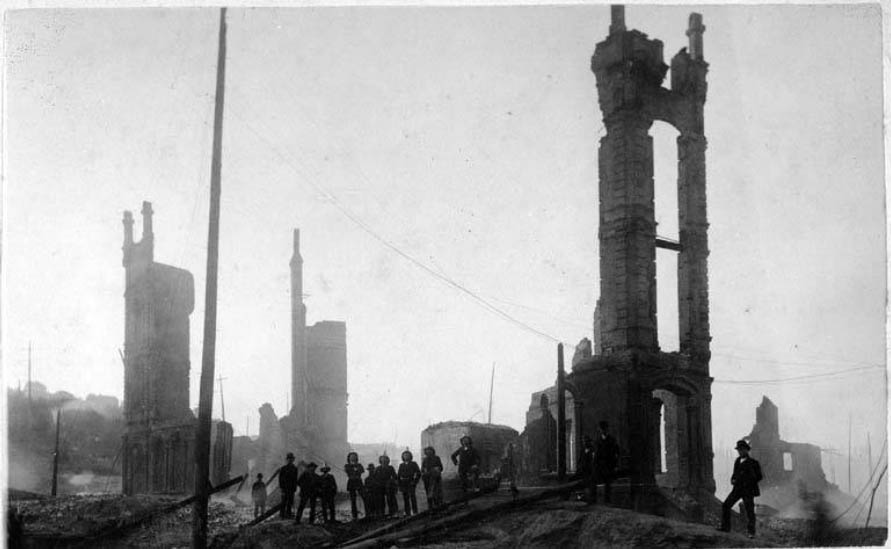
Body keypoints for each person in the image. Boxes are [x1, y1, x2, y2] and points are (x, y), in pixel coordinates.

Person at [719, 440, 763, 538]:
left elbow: (759, 476)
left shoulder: (754, 463)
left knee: (749, 511)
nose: (740, 452)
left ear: (747, 450)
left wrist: (749, 482)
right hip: (737, 490)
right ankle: (725, 527)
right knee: (726, 505)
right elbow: (734, 474)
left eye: (742, 450)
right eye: (739, 450)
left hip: (748, 491)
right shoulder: (737, 461)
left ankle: (751, 533)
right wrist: (732, 479)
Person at [593, 421, 619, 504]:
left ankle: (607, 501)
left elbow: (616, 453)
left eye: (604, 429)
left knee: (608, 483)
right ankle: (596, 500)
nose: (603, 431)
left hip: (609, 464)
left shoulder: (612, 440)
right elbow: (596, 454)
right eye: (601, 429)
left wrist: (615, 465)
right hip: (600, 465)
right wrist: (595, 464)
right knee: (597, 482)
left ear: (607, 429)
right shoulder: (598, 440)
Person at [397, 450, 422, 516]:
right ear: (402, 457)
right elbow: (398, 476)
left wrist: (415, 481)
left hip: (411, 482)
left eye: (407, 455)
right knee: (405, 498)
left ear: (410, 456)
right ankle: (407, 512)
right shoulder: (401, 465)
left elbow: (418, 473)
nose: (406, 456)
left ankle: (415, 512)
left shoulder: (414, 464)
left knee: (412, 497)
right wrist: (399, 484)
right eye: (404, 455)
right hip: (403, 483)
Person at [344, 452, 365, 520]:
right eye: (351, 457)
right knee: (353, 500)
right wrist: (355, 469)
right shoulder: (347, 465)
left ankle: (367, 513)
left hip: (359, 482)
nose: (353, 458)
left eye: (354, 456)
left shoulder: (359, 465)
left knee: (364, 497)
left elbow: (362, 470)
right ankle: (354, 516)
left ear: (356, 458)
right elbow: (347, 471)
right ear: (349, 458)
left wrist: (355, 469)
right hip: (351, 483)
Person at [278, 452, 299, 518]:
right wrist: (282, 488)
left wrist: (294, 488)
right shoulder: (283, 468)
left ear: (293, 460)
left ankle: (288, 514)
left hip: (291, 489)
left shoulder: (295, 469)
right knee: (283, 502)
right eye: (289, 458)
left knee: (290, 502)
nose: (290, 460)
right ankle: (282, 515)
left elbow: (295, 479)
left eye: (291, 459)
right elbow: (280, 479)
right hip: (285, 488)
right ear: (287, 459)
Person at [578, 436, 595, 503]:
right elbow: (580, 460)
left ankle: (589, 496)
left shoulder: (592, 450)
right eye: (584, 441)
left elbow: (592, 460)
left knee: (588, 482)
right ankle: (580, 495)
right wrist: (579, 467)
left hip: (589, 470)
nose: (584, 443)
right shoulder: (583, 450)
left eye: (586, 441)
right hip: (582, 470)